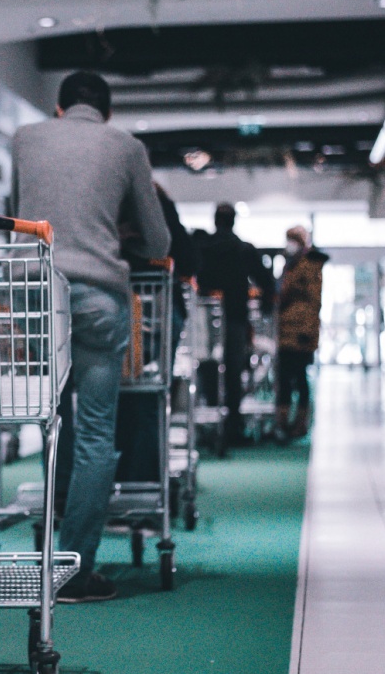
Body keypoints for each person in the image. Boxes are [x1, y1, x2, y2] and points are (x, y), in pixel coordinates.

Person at [13, 71, 169, 602]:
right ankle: (77, 570)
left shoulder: (25, 138)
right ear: (106, 111)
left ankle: (51, 545)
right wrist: (120, 234)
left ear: (59, 108)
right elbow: (158, 237)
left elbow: (27, 212)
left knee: (50, 418)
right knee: (97, 433)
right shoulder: (125, 145)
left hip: (36, 295)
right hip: (100, 297)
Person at [114, 183, 198, 485]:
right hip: (160, 310)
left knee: (121, 397)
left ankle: (124, 479)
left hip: (126, 309)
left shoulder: (112, 207)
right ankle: (147, 482)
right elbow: (187, 261)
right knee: (150, 394)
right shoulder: (162, 205)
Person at [196, 203, 276, 451]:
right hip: (236, 316)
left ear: (215, 220)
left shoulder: (204, 248)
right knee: (233, 371)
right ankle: (232, 425)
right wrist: (264, 307)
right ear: (233, 221)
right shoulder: (244, 249)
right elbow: (265, 280)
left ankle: (209, 422)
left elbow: (196, 276)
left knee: (206, 366)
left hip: (206, 316)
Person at [275, 226, 327, 441]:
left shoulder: (310, 266)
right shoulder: (291, 265)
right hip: (286, 329)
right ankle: (283, 422)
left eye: (292, 240)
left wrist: (307, 331)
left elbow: (314, 302)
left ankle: (301, 422)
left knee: (300, 377)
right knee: (284, 378)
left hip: (301, 332)